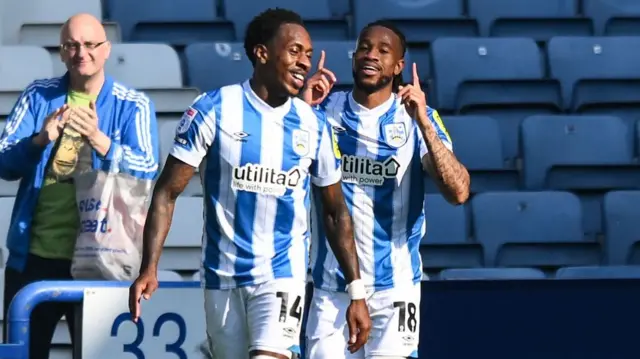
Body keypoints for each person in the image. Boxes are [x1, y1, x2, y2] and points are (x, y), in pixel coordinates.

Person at [128, 8, 371, 359]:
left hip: (281, 275)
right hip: (221, 276)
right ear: (261, 53)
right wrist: (149, 267)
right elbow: (167, 192)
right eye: (294, 51)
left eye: (307, 53)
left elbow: (335, 212)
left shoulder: (314, 125)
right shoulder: (213, 109)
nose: (304, 62)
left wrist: (356, 290)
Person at [302, 20, 471, 359]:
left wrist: (422, 121)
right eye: (364, 47)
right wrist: (302, 109)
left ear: (398, 67)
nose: (370, 55)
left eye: (382, 50)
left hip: (395, 289)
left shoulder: (416, 119)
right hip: (331, 288)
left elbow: (459, 192)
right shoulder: (322, 113)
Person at [0, 13, 159, 359]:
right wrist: (40, 139)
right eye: (71, 45)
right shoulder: (39, 95)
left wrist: (101, 142)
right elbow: (3, 161)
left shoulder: (133, 105)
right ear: (61, 52)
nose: (81, 53)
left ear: (106, 50)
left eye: (90, 45)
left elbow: (148, 169)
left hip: (103, 259)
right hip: (35, 258)